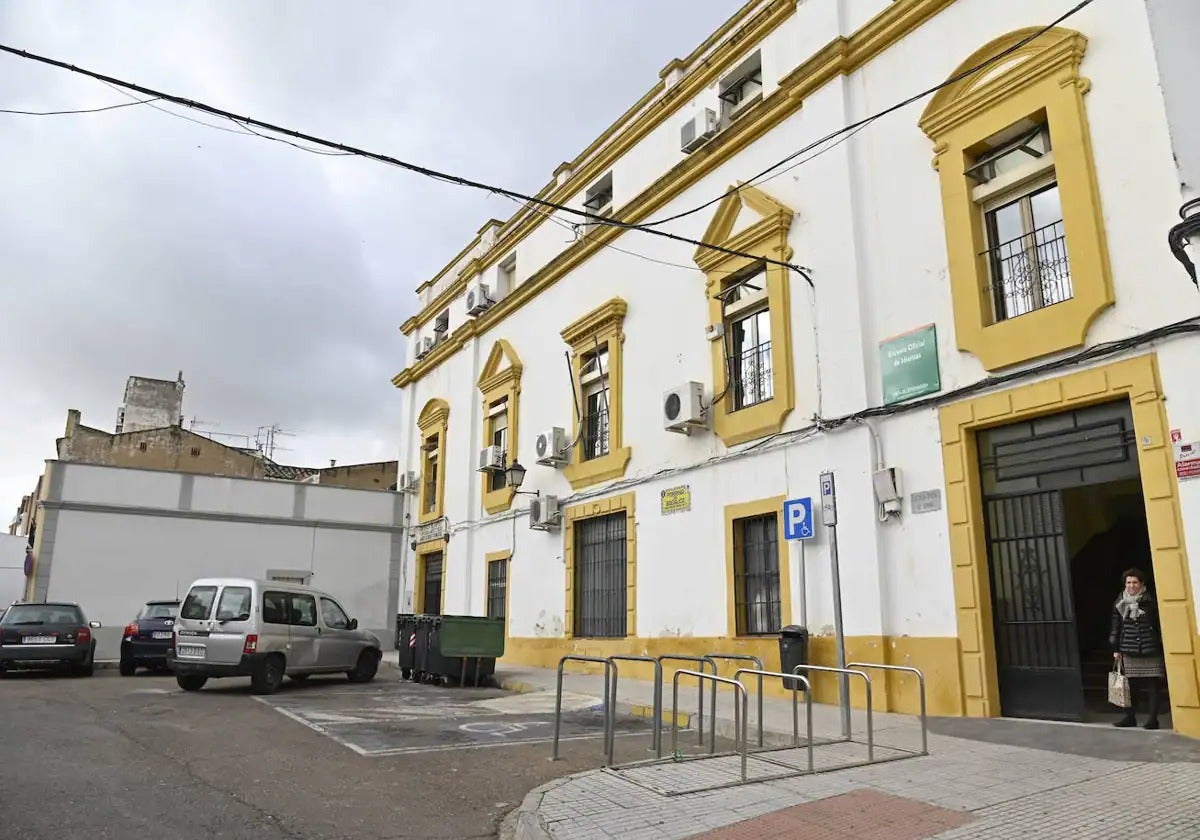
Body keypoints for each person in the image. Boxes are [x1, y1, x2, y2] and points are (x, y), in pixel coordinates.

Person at [1110, 568, 1165, 729]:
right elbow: (1116, 626)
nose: (1131, 585)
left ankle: (1153, 720)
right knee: (1130, 687)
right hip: (1128, 648)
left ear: (1141, 584)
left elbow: (1159, 623)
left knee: (1153, 685)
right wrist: (1115, 648)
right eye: (1128, 582)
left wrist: (1161, 643)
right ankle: (1130, 717)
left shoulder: (1150, 600)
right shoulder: (1120, 602)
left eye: (1135, 582)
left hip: (1150, 648)